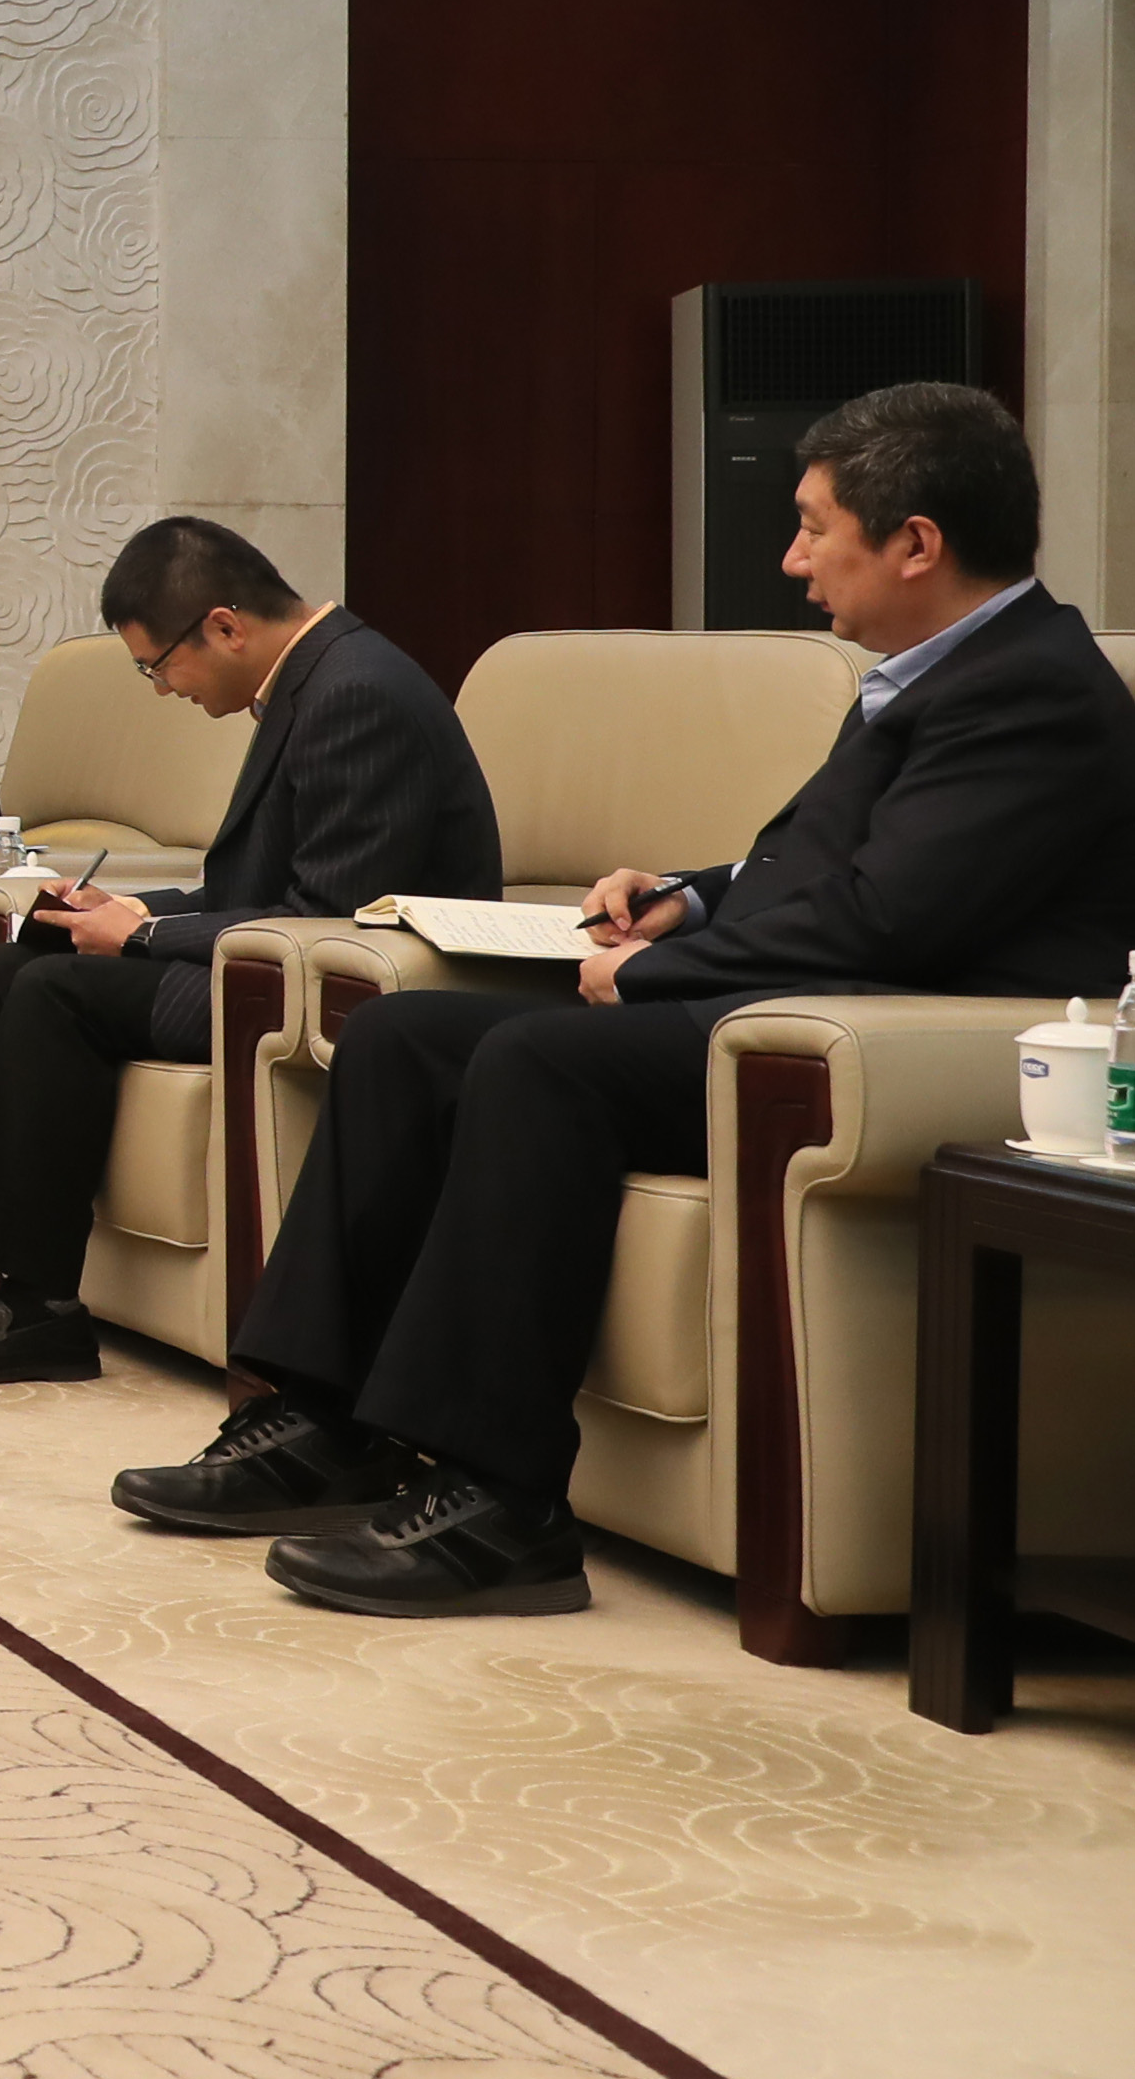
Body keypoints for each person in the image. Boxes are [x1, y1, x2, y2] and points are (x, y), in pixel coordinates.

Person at [121, 383, 1135, 1617]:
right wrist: (685, 899)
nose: (791, 557)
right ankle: (322, 1424)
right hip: (792, 1001)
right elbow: (814, 868)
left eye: (813, 526)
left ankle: (501, 1506)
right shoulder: (939, 671)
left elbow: (888, 917)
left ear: (914, 542)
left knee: (536, 1061)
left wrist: (651, 971)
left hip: (885, 1043)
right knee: (399, 1034)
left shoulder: (1029, 689)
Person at [0, 516, 497, 1376]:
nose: (160, 690)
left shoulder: (355, 694)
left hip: (324, 990)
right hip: (264, 958)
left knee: (51, 993)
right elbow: (247, 893)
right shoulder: (314, 679)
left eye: (157, 666)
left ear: (223, 626)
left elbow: (326, 914)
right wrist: (122, 907)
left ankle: (37, 1307)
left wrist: (146, 933)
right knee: (5, 967)